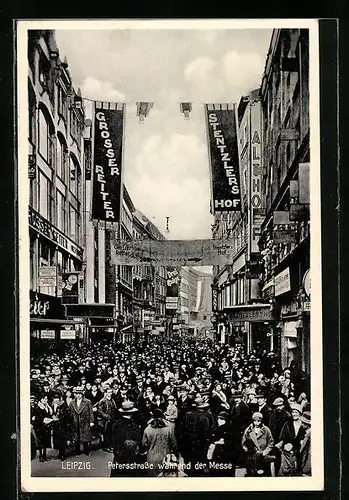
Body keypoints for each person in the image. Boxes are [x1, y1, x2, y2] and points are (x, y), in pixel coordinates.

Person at [178, 395, 214, 475]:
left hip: (189, 444)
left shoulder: (187, 415)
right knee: (200, 467)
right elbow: (208, 432)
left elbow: (182, 431)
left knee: (190, 466)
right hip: (201, 444)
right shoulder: (205, 417)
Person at [142, 408, 178, 477]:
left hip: (151, 458)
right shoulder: (168, 429)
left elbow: (143, 445)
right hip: (166, 458)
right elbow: (174, 444)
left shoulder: (147, 430)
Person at [110, 401, 142, 477]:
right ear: (131, 413)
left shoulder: (115, 424)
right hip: (129, 456)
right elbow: (138, 440)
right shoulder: (133, 426)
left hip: (118, 454)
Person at [241, 412, 274, 477]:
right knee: (252, 475)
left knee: (264, 475)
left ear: (261, 421)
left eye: (258, 421)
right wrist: (247, 450)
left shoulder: (266, 430)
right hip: (252, 458)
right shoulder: (248, 430)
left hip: (263, 456)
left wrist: (265, 452)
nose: (256, 423)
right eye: (255, 421)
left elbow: (271, 443)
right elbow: (243, 443)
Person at [277, 403, 306, 476]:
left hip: (300, 451)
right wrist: (285, 445)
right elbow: (282, 437)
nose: (294, 414)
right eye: (293, 412)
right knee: (286, 470)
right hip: (288, 450)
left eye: (296, 412)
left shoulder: (303, 425)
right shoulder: (287, 424)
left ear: (300, 413)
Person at [207, 411, 236, 476]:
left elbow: (234, 443)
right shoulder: (216, 429)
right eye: (218, 419)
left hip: (225, 456)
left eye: (222, 419)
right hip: (217, 456)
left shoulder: (230, 430)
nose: (219, 421)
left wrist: (223, 442)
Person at [69, 386, 95, 456]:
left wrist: (91, 421)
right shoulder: (72, 403)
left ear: (82, 394)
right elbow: (70, 413)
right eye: (77, 393)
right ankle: (77, 450)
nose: (78, 395)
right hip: (75, 421)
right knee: (76, 436)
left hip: (85, 421)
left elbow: (91, 412)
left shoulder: (87, 402)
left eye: (80, 394)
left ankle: (85, 450)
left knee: (85, 436)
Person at [34, 393, 54, 462]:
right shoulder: (38, 407)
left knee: (45, 441)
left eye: (46, 399)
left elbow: (49, 414)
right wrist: (45, 420)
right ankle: (40, 455)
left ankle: (45, 455)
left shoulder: (47, 406)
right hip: (40, 426)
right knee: (40, 441)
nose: (46, 400)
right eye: (44, 399)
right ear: (41, 399)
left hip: (46, 425)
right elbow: (38, 418)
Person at [97, 387, 118, 452]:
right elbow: (100, 411)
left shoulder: (112, 400)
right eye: (108, 392)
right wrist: (106, 416)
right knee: (105, 433)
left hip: (112, 419)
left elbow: (115, 409)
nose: (110, 394)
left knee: (110, 433)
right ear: (105, 393)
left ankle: (110, 446)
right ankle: (105, 447)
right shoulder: (102, 401)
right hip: (105, 420)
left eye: (111, 392)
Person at [298, 411, 311, 476]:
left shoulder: (310, 435)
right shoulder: (306, 433)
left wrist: (306, 469)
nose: (301, 424)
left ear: (307, 425)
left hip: (307, 466)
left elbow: (310, 453)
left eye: (303, 423)